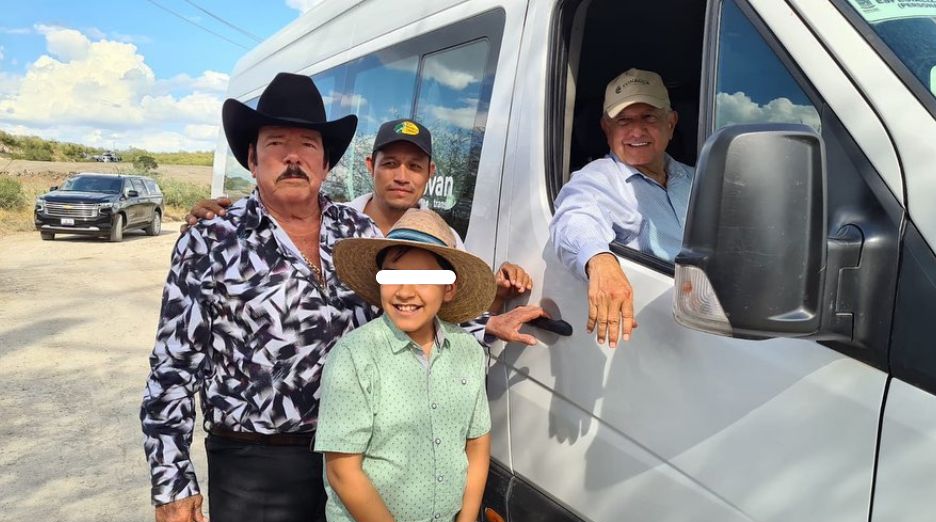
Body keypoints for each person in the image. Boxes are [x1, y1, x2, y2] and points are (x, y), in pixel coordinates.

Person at [140, 72, 379, 522]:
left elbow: (413, 312)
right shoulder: (210, 239)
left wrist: (488, 317)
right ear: (252, 158)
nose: (293, 156)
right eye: (276, 143)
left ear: (326, 162)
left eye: (308, 144)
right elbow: (172, 367)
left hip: (357, 458)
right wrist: (171, 483)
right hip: (253, 471)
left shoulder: (362, 236)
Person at [188, 118, 547, 345]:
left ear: (430, 173)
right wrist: (231, 214)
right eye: (389, 164)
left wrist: (492, 314)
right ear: (370, 166)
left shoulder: (445, 240)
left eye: (414, 166)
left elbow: (438, 314)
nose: (401, 176)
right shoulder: (338, 230)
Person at [316, 207, 493, 522]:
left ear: (449, 288)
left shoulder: (467, 350)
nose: (405, 292)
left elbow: (478, 443)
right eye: (393, 275)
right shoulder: (355, 356)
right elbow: (343, 471)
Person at [549, 68, 695, 349]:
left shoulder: (700, 177)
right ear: (606, 128)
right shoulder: (596, 178)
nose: (637, 131)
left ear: (671, 122)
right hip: (656, 336)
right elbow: (575, 216)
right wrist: (600, 260)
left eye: (649, 117)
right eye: (624, 121)